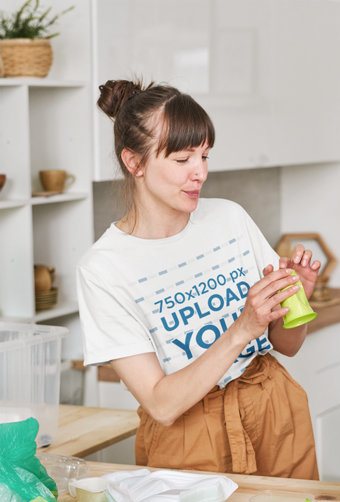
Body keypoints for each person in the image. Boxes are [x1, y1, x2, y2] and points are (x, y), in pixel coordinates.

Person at [77, 78, 321, 480]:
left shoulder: (230, 217)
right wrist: (242, 328)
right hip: (189, 434)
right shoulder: (104, 268)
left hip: (274, 407)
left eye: (205, 156)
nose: (200, 173)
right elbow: (161, 404)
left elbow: (286, 345)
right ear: (134, 162)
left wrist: (299, 302)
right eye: (182, 159)